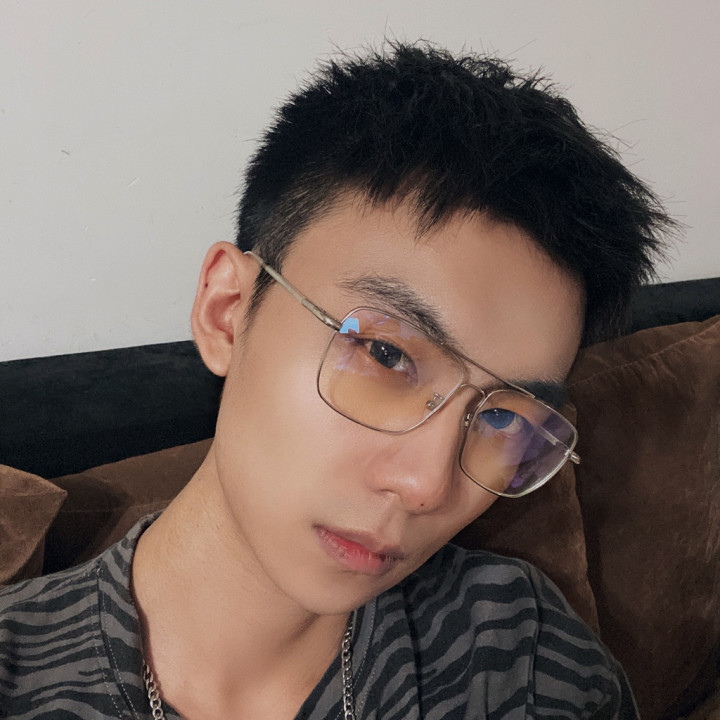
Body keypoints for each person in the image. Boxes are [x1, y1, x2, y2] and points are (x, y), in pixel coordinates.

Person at [0, 43, 672, 719]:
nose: (427, 486)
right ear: (226, 311)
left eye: (503, 418)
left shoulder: (522, 659)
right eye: (386, 355)